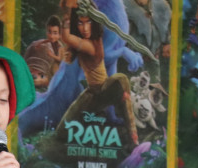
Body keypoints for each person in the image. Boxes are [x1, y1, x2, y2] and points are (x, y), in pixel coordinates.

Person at [56, 6, 140, 147]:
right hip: (91, 93)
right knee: (62, 132)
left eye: (88, 22)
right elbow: (70, 45)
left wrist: (66, 19)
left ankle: (133, 137)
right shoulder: (85, 42)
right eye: (80, 23)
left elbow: (67, 37)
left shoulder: (91, 44)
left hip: (104, 90)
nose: (85, 28)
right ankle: (92, 133)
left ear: (93, 23)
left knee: (121, 79)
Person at [24, 15, 64, 89]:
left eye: (55, 33)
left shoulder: (59, 47)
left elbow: (60, 60)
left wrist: (52, 55)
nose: (51, 36)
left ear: (60, 35)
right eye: (49, 32)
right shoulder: (42, 44)